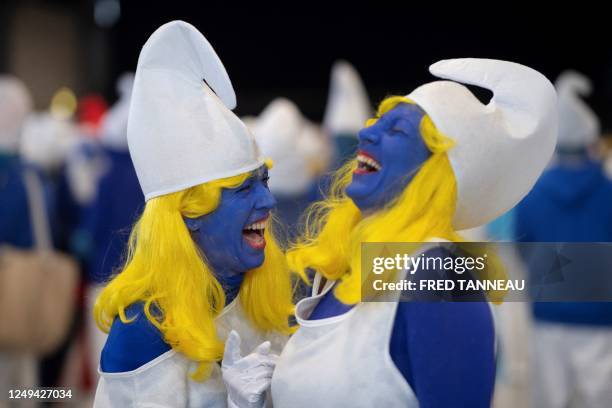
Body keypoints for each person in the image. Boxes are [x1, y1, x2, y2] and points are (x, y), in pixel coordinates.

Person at [267, 58, 557, 407]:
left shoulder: (441, 276)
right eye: (377, 121)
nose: (366, 132)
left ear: (433, 174)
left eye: (396, 131)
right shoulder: (345, 267)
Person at [93, 21, 294, 407]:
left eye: (264, 181)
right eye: (243, 189)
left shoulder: (265, 289)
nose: (268, 202)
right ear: (189, 213)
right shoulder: (144, 331)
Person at [516, 70, 612, 408]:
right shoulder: (609, 191)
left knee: (548, 399)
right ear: (592, 142)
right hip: (602, 315)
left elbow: (522, 246)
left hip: (548, 311)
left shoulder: (533, 194)